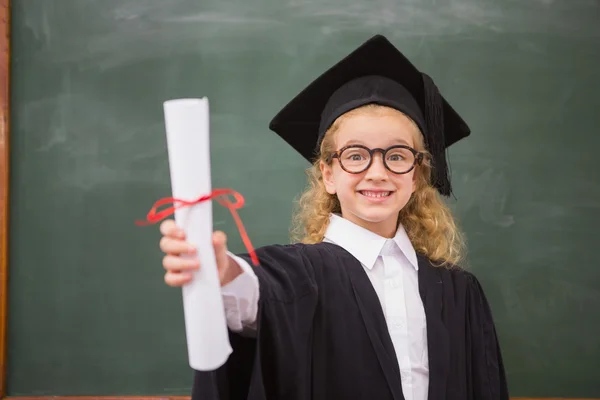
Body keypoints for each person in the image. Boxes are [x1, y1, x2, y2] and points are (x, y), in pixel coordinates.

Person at [158, 35, 509, 400]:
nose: (377, 172)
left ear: (418, 174)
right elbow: (257, 295)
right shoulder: (299, 276)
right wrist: (223, 273)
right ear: (328, 173)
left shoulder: (458, 292)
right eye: (356, 156)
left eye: (398, 155)